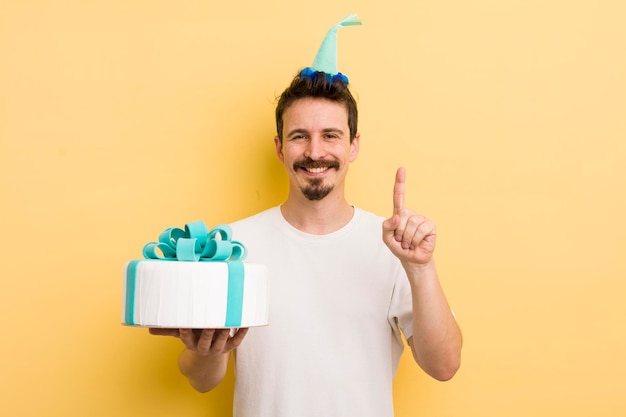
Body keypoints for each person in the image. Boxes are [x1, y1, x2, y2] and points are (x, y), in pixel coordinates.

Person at [149, 15, 462, 417]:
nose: (316, 152)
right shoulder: (231, 246)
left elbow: (444, 366)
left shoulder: (394, 246)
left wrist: (420, 268)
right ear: (280, 148)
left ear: (353, 146)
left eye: (331, 135)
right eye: (300, 136)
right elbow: (202, 380)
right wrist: (205, 349)